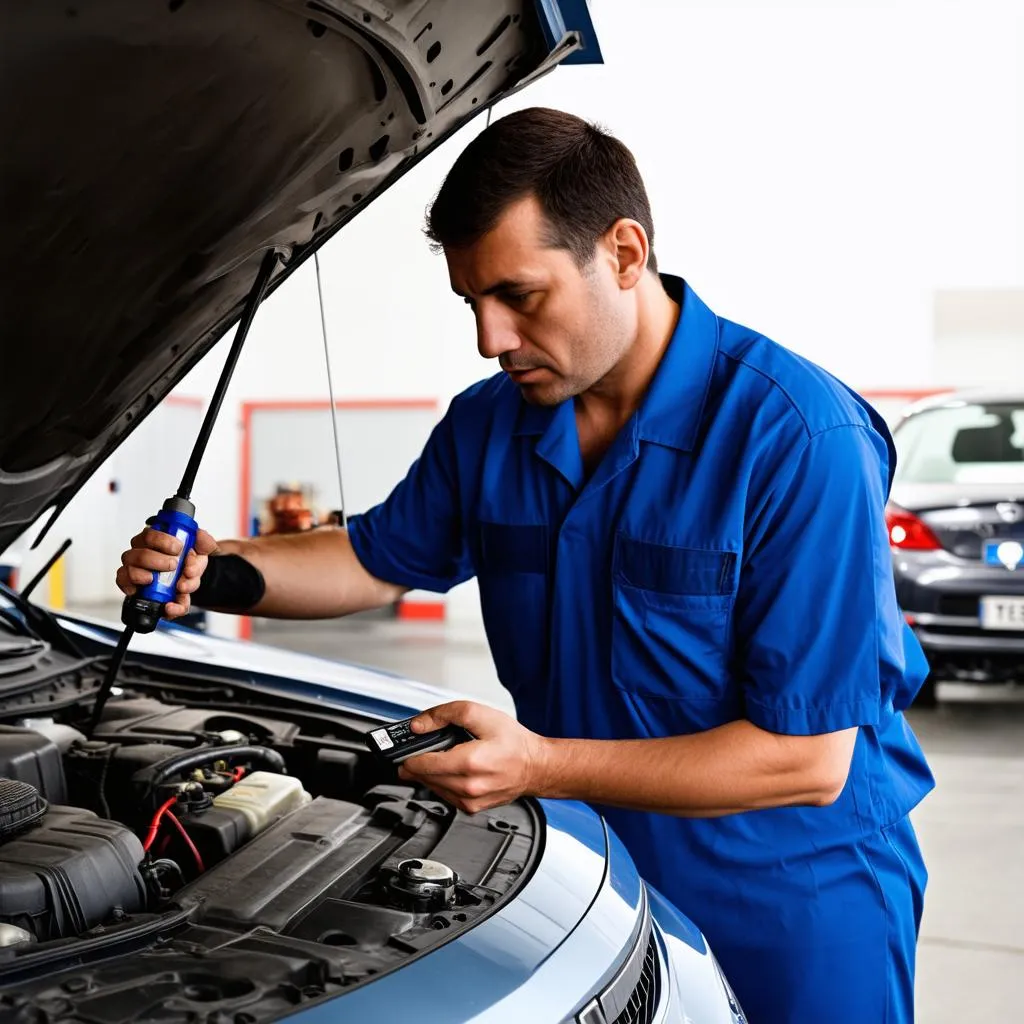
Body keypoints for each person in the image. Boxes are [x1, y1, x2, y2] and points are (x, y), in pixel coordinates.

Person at [117, 107, 934, 1023]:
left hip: (791, 898)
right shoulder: (491, 424)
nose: (490, 338)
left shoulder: (795, 437)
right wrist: (221, 572)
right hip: (596, 879)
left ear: (623, 253)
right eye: (472, 302)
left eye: (520, 296)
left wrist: (538, 764)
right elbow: (376, 558)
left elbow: (805, 762)